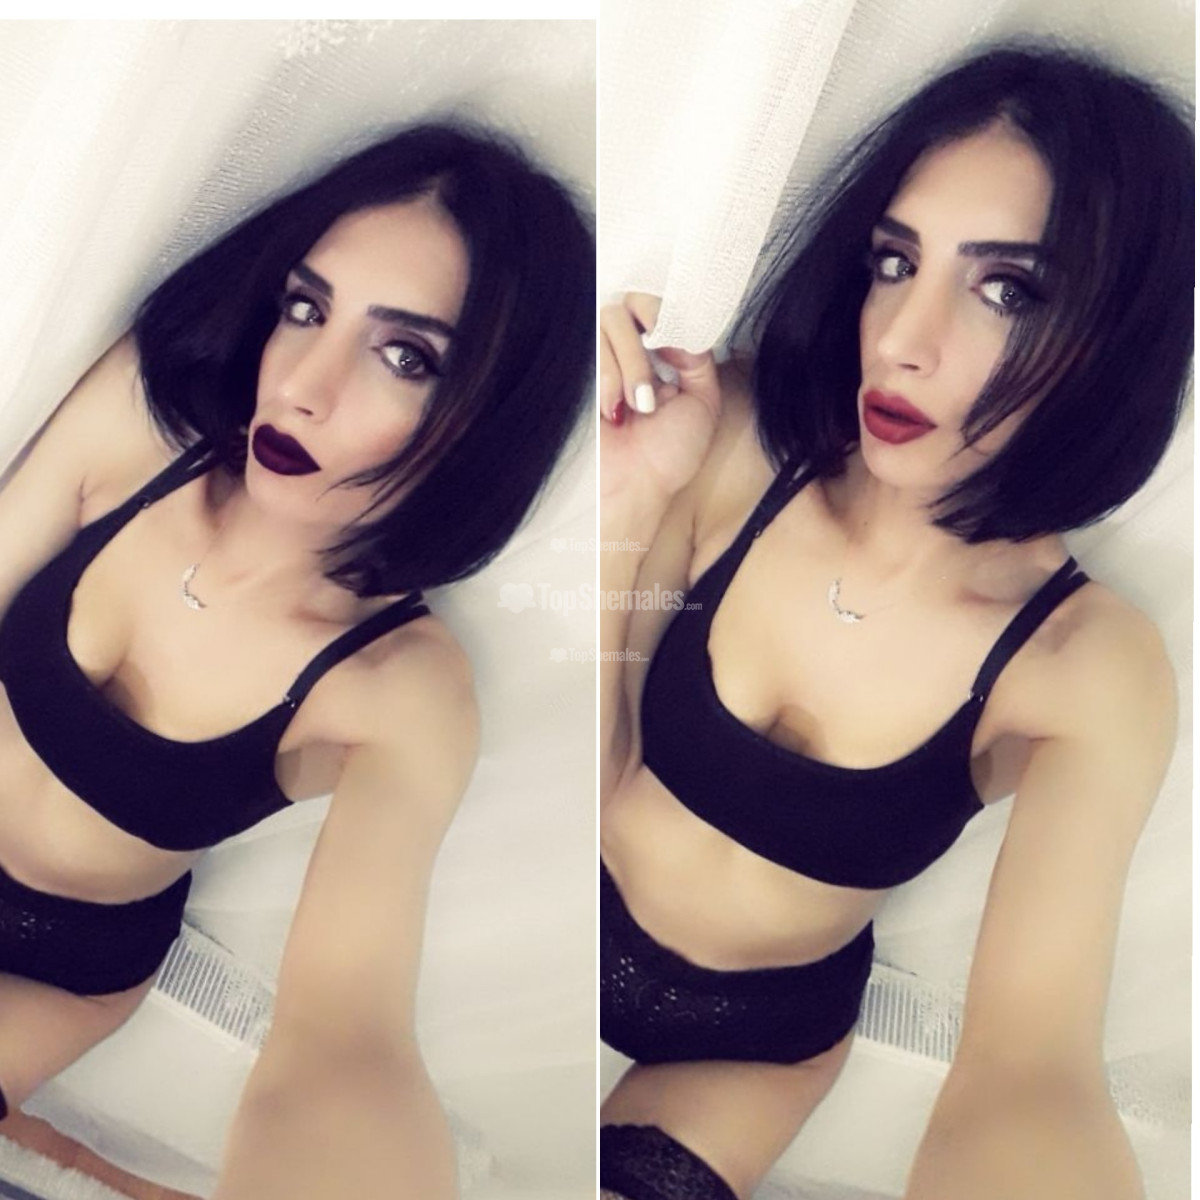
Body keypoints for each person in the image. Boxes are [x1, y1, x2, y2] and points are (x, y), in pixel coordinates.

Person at [598, 44, 1191, 1200]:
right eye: (893, 261)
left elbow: (1031, 1068)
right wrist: (628, 502)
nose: (901, 339)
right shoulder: (730, 440)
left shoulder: (1084, 665)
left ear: (1113, 337)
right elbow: (600, 767)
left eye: (1007, 289)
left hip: (753, 1043)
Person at [0, 121, 593, 1200]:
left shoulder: (396, 690)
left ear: (486, 420)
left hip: (59, 960)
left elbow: (345, 1031)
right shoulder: (140, 425)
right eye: (307, 309)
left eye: (404, 357)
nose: (303, 387)